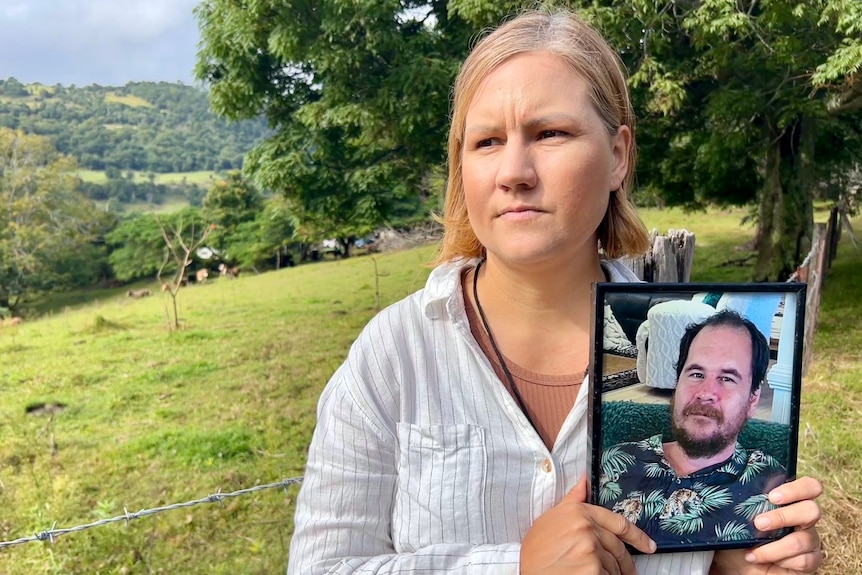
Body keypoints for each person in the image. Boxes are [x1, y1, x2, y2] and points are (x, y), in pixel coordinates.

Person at [287, 8, 824, 575]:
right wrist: (515, 568)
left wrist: (744, 566)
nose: (514, 171)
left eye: (550, 133)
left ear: (617, 156)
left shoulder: (686, 343)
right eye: (487, 141)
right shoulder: (393, 356)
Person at [601, 310, 788, 547]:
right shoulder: (614, 460)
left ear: (752, 400)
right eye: (697, 374)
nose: (706, 393)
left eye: (728, 378)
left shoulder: (776, 492)